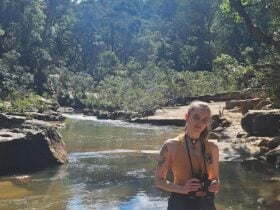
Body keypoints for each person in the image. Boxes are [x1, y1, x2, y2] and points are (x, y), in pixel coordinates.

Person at [155, 101, 219, 210]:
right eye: (196, 117)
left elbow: (215, 178)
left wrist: (215, 186)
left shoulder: (212, 147)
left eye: (205, 120)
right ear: (187, 116)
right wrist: (182, 189)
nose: (200, 123)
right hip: (180, 202)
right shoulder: (171, 145)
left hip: (206, 202)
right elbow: (159, 180)